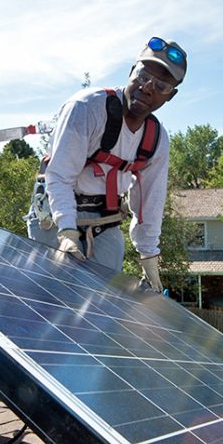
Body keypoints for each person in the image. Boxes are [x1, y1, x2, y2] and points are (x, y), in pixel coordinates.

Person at [27, 37, 187, 291]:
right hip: (57, 213)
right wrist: (67, 231)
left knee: (99, 304)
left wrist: (149, 256)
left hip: (105, 222)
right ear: (131, 71)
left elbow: (151, 203)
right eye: (143, 76)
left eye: (160, 86)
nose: (147, 88)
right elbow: (60, 176)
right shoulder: (87, 108)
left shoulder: (156, 139)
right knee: (54, 297)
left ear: (171, 96)